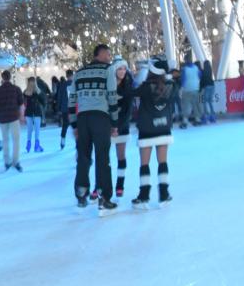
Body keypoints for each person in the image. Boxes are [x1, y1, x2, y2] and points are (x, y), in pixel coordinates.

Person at [72, 44, 120, 213]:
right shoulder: (108, 70)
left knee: (83, 157)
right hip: (101, 117)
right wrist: (115, 123)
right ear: (98, 54)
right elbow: (112, 96)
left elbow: (72, 99)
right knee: (102, 158)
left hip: (83, 118)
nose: (109, 57)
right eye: (107, 53)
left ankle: (81, 194)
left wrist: (74, 124)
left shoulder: (79, 73)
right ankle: (104, 197)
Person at [132, 59, 174, 207]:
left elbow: (131, 92)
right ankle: (164, 194)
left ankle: (144, 196)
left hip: (147, 130)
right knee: (163, 162)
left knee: (145, 164)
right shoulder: (170, 86)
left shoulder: (145, 87)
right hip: (163, 128)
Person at [110, 61, 136, 199]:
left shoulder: (128, 86)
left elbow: (128, 112)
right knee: (103, 158)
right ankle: (99, 186)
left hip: (122, 126)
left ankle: (120, 185)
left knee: (121, 156)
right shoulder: (108, 86)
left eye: (124, 69)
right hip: (107, 126)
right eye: (119, 69)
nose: (122, 71)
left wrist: (118, 128)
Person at [0, 71, 25, 170]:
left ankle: (7, 161)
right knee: (16, 141)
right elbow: (21, 105)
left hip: (3, 118)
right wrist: (22, 116)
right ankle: (16, 161)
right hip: (14, 117)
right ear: (10, 77)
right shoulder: (16, 89)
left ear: (2, 78)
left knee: (5, 140)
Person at [23, 77, 44, 155]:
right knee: (37, 129)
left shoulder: (25, 92)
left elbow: (23, 102)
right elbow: (43, 101)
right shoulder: (38, 92)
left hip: (28, 112)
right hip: (37, 112)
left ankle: (28, 145)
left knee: (29, 129)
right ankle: (37, 146)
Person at [179, 56, 202, 126]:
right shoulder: (196, 68)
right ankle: (198, 119)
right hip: (195, 88)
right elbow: (200, 75)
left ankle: (185, 121)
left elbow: (183, 79)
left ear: (185, 61)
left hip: (187, 89)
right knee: (196, 104)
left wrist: (181, 89)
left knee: (186, 105)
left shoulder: (184, 69)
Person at [56, 71, 72, 148]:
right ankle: (78, 142)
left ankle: (63, 140)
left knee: (65, 125)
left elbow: (59, 97)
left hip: (65, 108)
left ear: (66, 76)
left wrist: (59, 108)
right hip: (75, 108)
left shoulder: (62, 85)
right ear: (72, 75)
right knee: (77, 125)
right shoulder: (75, 83)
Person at [199, 59, 217, 124]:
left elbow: (202, 80)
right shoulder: (210, 70)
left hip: (207, 86)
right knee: (210, 101)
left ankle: (206, 115)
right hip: (212, 85)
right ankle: (213, 116)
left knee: (204, 102)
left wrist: (200, 88)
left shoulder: (203, 71)